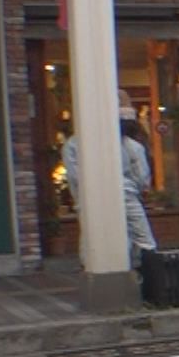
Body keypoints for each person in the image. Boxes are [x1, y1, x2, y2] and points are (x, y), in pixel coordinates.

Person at [60, 107, 159, 267]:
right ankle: (145, 271)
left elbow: (74, 176)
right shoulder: (127, 144)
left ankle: (93, 267)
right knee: (141, 235)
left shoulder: (74, 144)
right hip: (123, 193)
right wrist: (134, 188)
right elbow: (141, 175)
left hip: (93, 196)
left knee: (91, 234)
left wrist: (82, 194)